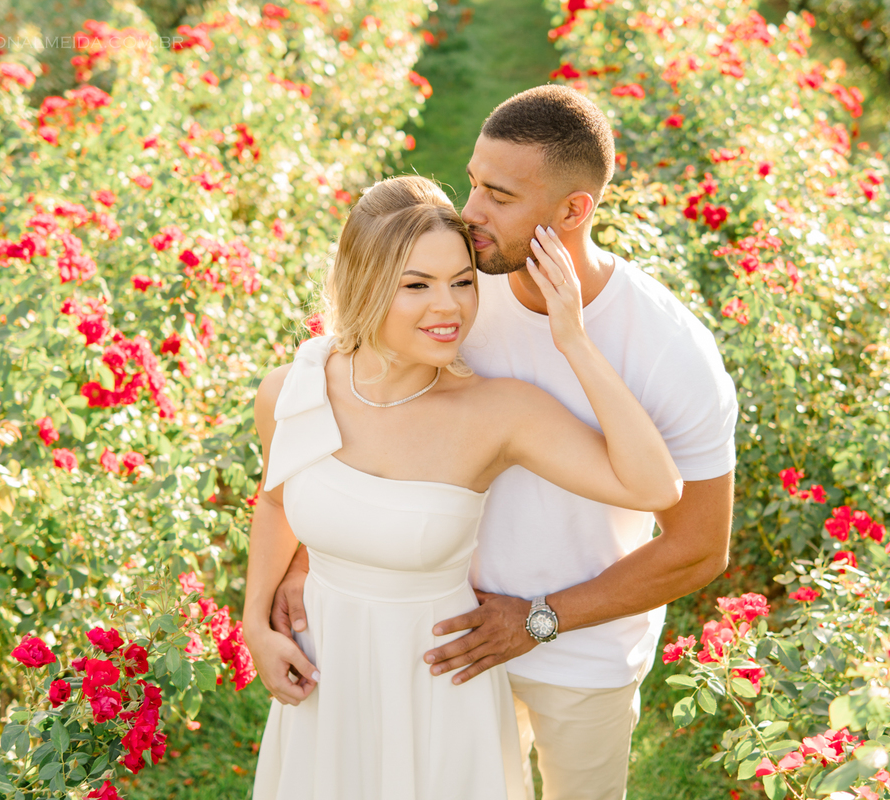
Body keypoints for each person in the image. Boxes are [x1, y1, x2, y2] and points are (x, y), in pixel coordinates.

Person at [271, 86, 738, 800]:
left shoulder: (669, 352)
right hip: (436, 637)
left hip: (578, 654)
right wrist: (314, 554)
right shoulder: (453, 290)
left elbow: (700, 544)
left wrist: (539, 621)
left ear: (573, 210)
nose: (472, 213)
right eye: (472, 182)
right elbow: (348, 416)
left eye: (499, 194)